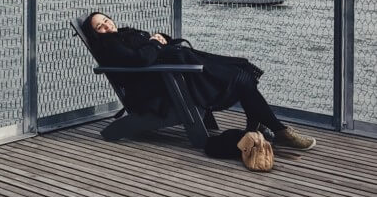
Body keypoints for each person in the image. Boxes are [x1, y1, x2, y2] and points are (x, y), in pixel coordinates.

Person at [82, 12, 316, 150]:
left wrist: (159, 38)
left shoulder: (122, 34)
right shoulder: (111, 45)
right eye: (99, 27)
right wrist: (154, 43)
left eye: (105, 20)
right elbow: (141, 59)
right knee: (242, 78)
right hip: (170, 85)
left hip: (179, 71)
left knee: (242, 68)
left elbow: (152, 48)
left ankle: (259, 125)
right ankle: (277, 130)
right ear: (96, 34)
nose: (106, 25)